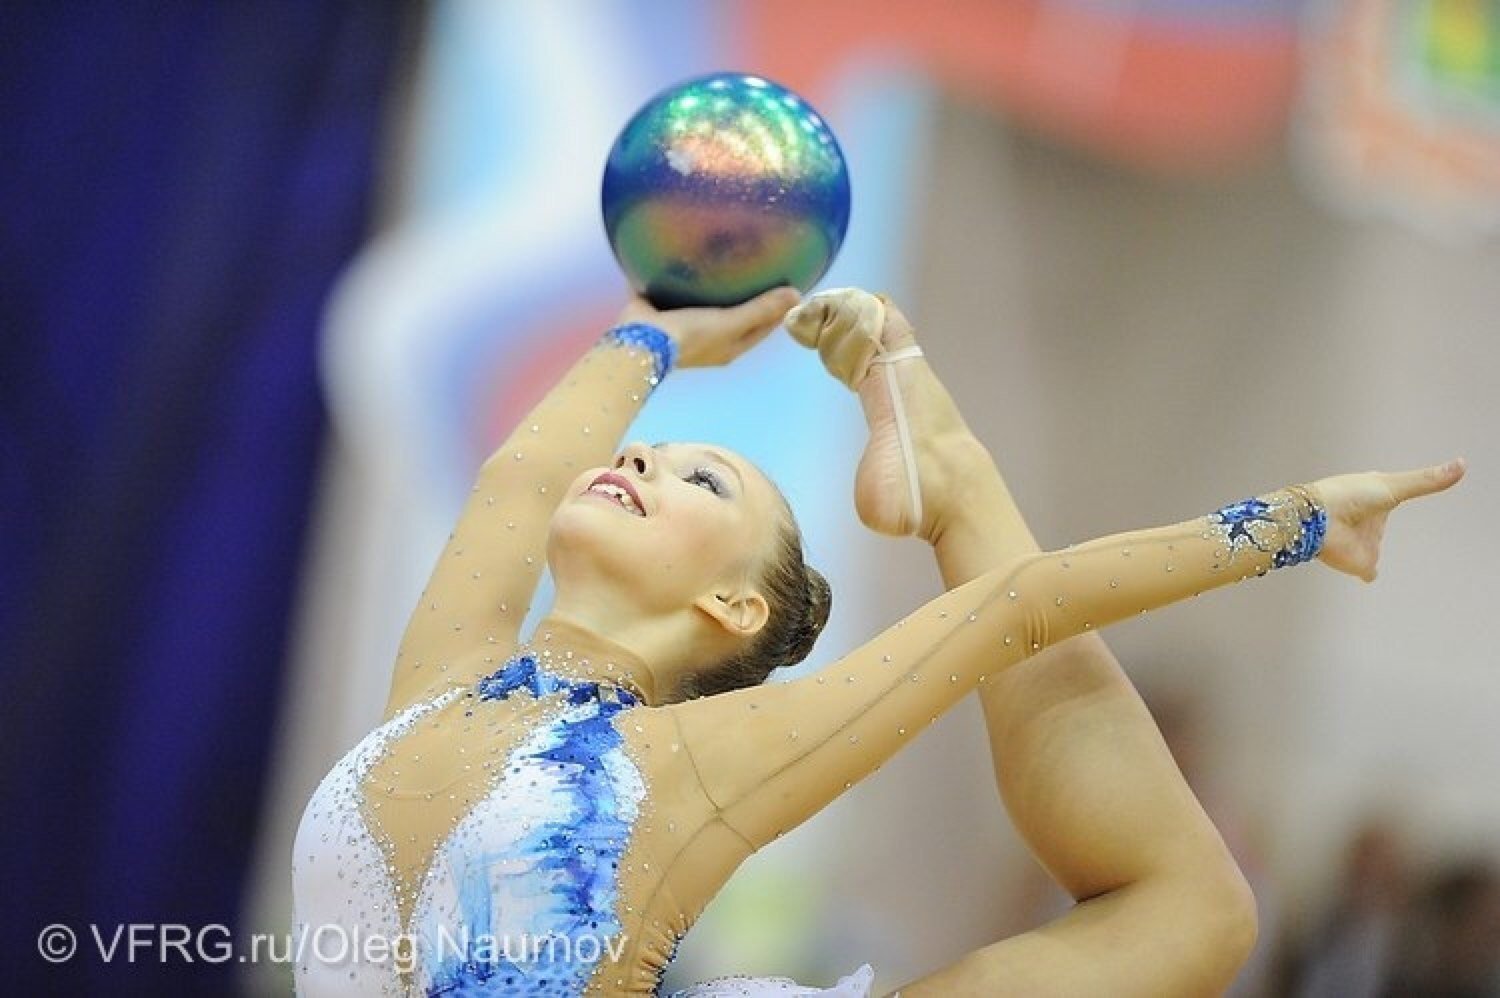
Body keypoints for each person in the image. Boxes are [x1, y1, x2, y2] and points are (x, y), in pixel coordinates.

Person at [290, 285, 1464, 997]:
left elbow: (1009, 612)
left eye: (700, 474)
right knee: (1192, 912)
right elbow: (520, 470)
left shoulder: (688, 763)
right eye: (649, 450)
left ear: (736, 610)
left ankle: (955, 478)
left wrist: (1301, 521)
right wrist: (652, 337)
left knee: (1197, 912)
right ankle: (949, 475)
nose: (641, 454)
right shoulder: (443, 682)